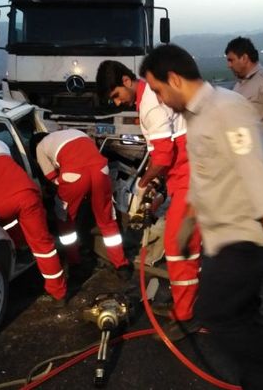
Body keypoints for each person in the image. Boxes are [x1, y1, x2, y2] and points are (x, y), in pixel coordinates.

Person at [140, 44, 263, 389]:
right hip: (222, 235)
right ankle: (262, 379)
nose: (159, 100)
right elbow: (205, 174)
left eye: (159, 90)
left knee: (216, 313)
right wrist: (190, 214)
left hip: (244, 235)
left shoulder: (225, 109)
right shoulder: (198, 115)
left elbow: (255, 169)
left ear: (174, 79)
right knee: (243, 315)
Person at [96, 60, 201, 340]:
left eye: (116, 95)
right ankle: (183, 304)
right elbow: (165, 155)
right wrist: (157, 182)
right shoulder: (149, 100)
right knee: (184, 244)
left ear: (127, 81)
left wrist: (144, 183)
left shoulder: (150, 104)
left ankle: (187, 316)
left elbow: (164, 156)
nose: (117, 103)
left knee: (179, 245)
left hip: (196, 178)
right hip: (185, 177)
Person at [30, 129, 132, 280]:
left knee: (65, 219)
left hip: (73, 176)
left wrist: (59, 191)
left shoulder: (40, 147)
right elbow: (90, 159)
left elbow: (51, 177)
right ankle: (121, 265)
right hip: (101, 171)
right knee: (107, 219)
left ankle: (75, 263)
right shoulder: (75, 133)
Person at [0, 132, 68, 306]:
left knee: (4, 229)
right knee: (44, 246)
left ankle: (17, 249)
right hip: (28, 194)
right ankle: (59, 294)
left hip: (0, 203)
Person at [225, 37, 263, 178]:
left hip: (262, 161)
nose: (228, 65)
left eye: (231, 60)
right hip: (243, 161)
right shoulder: (240, 85)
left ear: (244, 58)